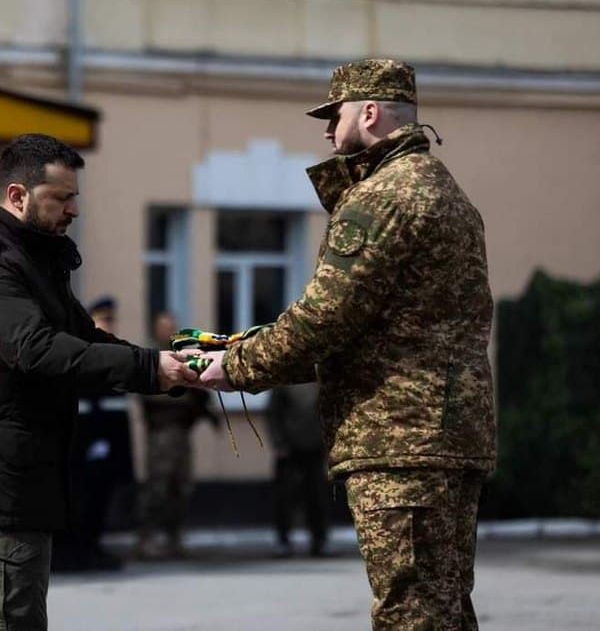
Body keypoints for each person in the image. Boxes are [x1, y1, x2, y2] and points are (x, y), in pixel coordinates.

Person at [193, 59, 497, 630]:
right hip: (448, 435)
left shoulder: (382, 199)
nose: (330, 133)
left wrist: (233, 366)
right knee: (445, 609)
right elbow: (387, 330)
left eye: (334, 117)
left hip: (399, 441)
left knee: (411, 613)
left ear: (369, 112)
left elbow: (323, 321)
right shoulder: (447, 194)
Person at [0, 133, 195, 630]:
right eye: (61, 197)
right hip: (1, 491)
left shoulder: (34, 263)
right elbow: (38, 350)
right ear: (17, 196)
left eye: (74, 196)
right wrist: (148, 369)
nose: (73, 209)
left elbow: (87, 338)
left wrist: (167, 368)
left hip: (24, 484)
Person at [54, 295, 135, 572]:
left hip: (108, 446)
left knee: (100, 501)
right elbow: (81, 406)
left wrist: (121, 457)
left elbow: (118, 411)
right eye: (103, 320)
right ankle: (74, 551)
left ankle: (92, 547)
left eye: (111, 320)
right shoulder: (83, 355)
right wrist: (86, 444)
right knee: (79, 501)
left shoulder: (116, 355)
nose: (108, 325)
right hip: (80, 448)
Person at [135, 311, 218, 561]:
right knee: (157, 488)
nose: (168, 333)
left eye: (171, 328)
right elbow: (149, 396)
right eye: (164, 328)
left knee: (180, 488)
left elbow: (200, 392)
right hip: (161, 434)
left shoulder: (183, 356)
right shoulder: (152, 360)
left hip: (181, 433)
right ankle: (146, 538)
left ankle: (174, 538)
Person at [266, 382, 328, 558]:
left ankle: (319, 540)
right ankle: (283, 539)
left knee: (316, 496)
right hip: (289, 448)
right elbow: (273, 413)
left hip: (315, 447)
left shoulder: (320, 381)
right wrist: (279, 443)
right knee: (285, 496)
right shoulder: (285, 382)